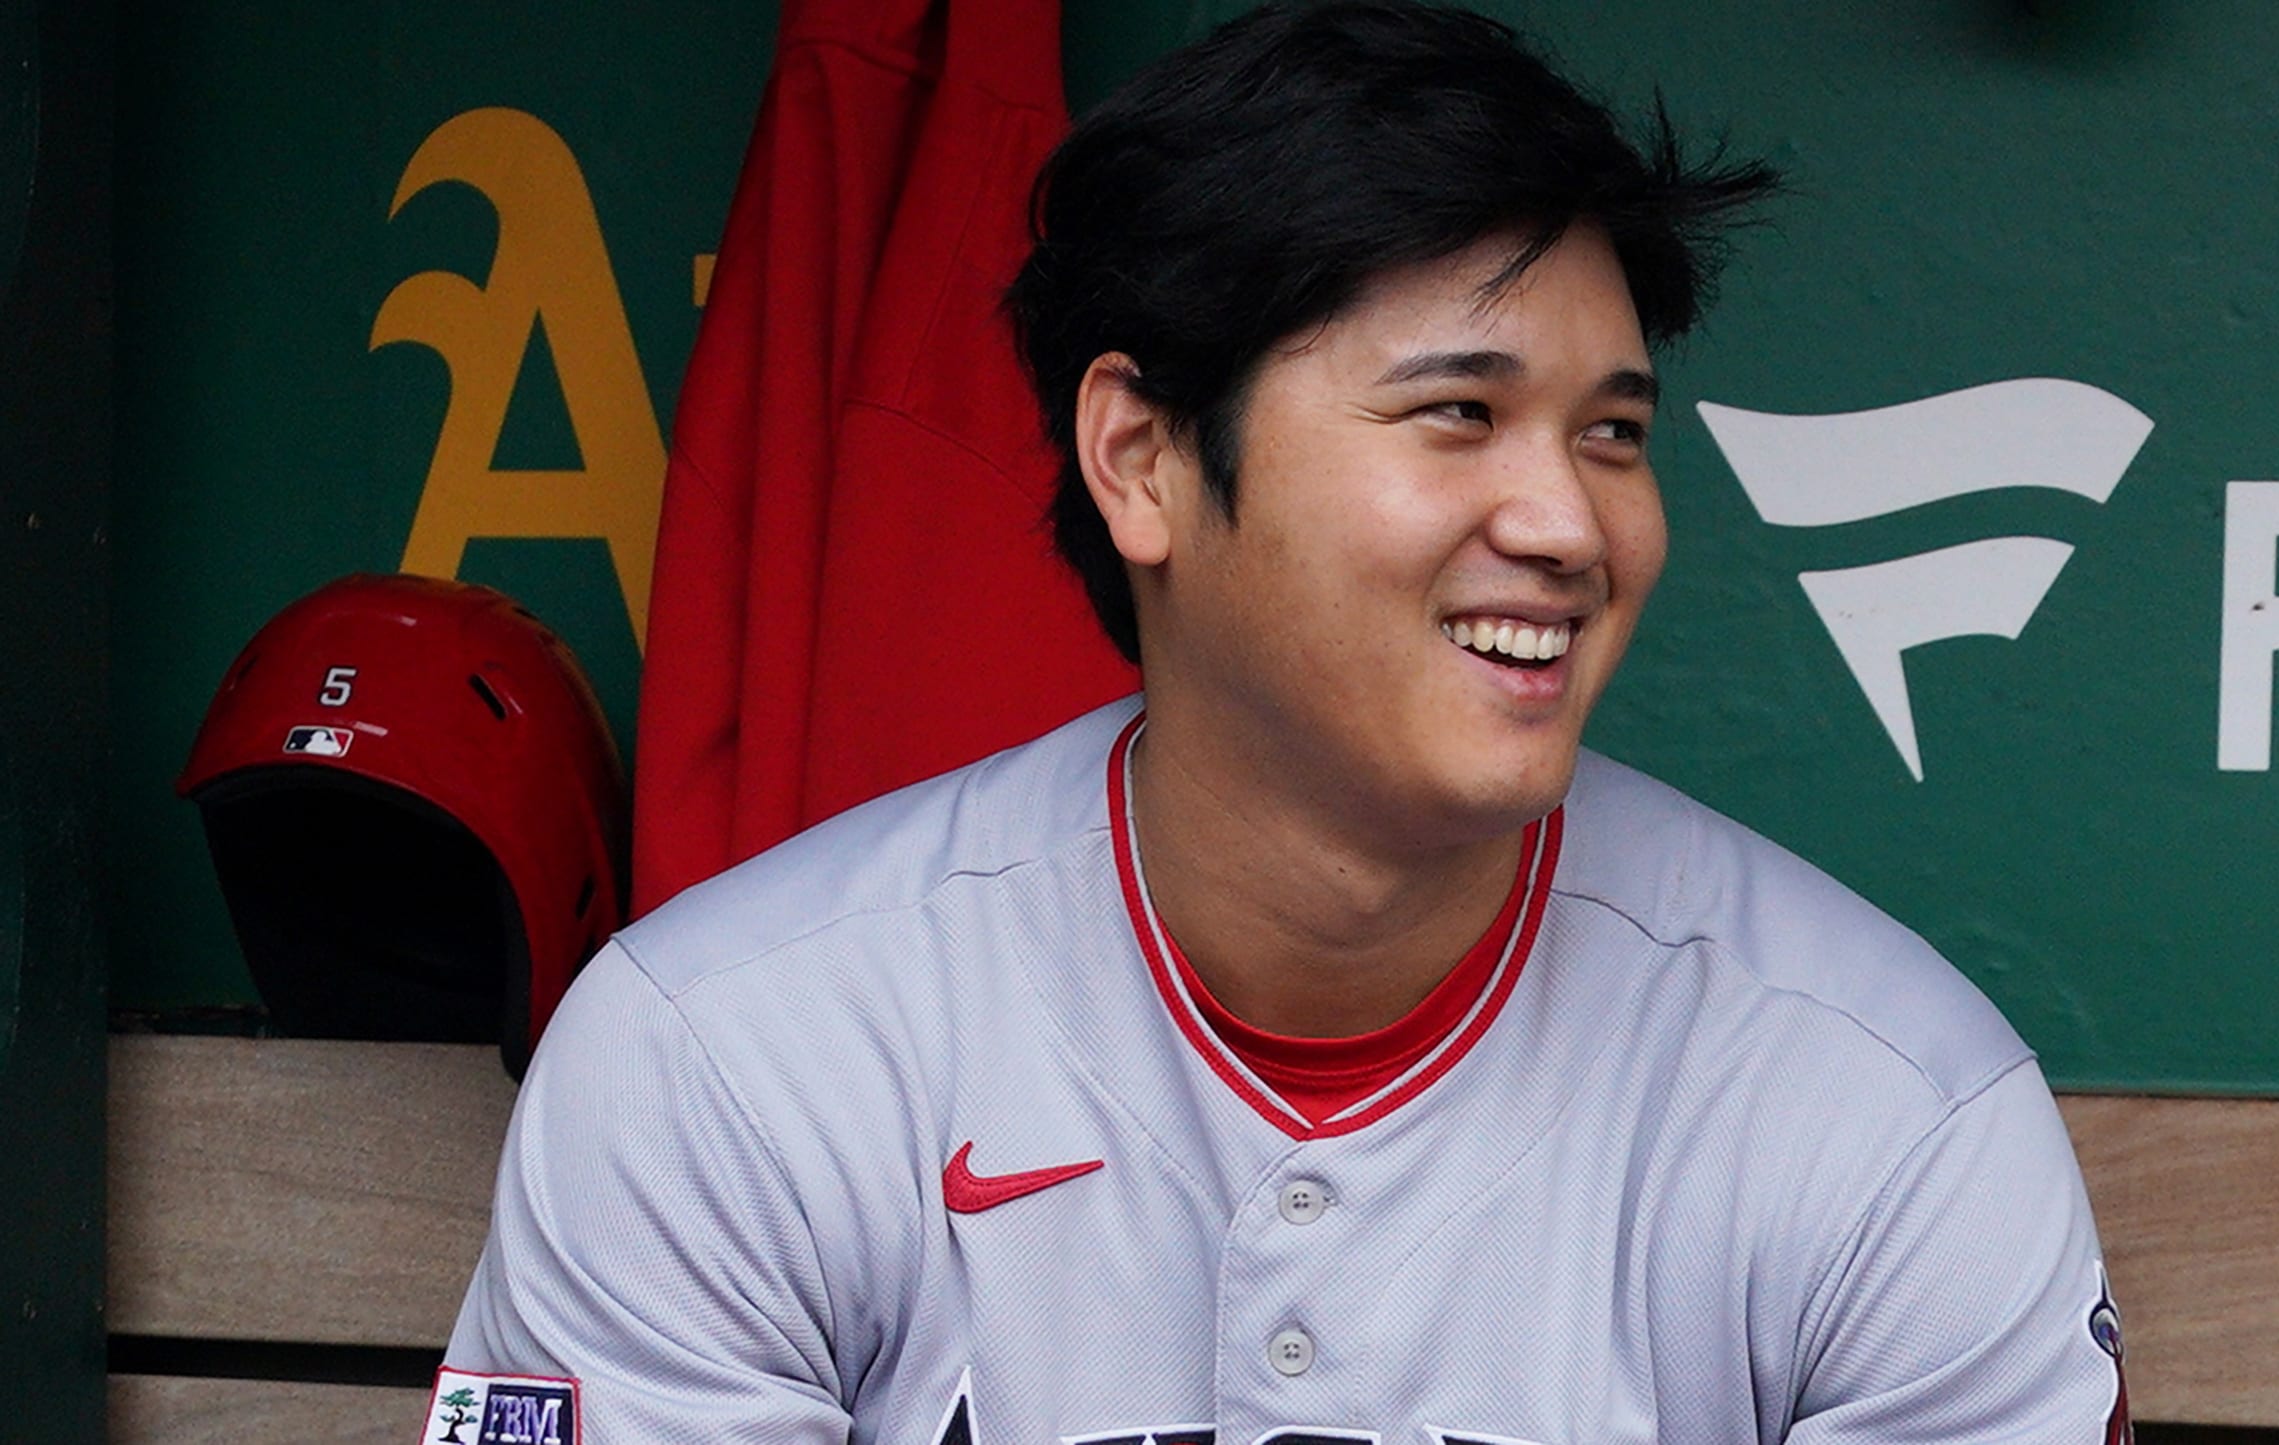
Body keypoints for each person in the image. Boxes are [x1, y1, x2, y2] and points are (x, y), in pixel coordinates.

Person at [434, 4, 2131, 1443]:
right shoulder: (731, 1055)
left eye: (1612, 434)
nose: (1568, 522)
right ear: (1143, 457)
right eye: (1459, 412)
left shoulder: (1883, 1108)